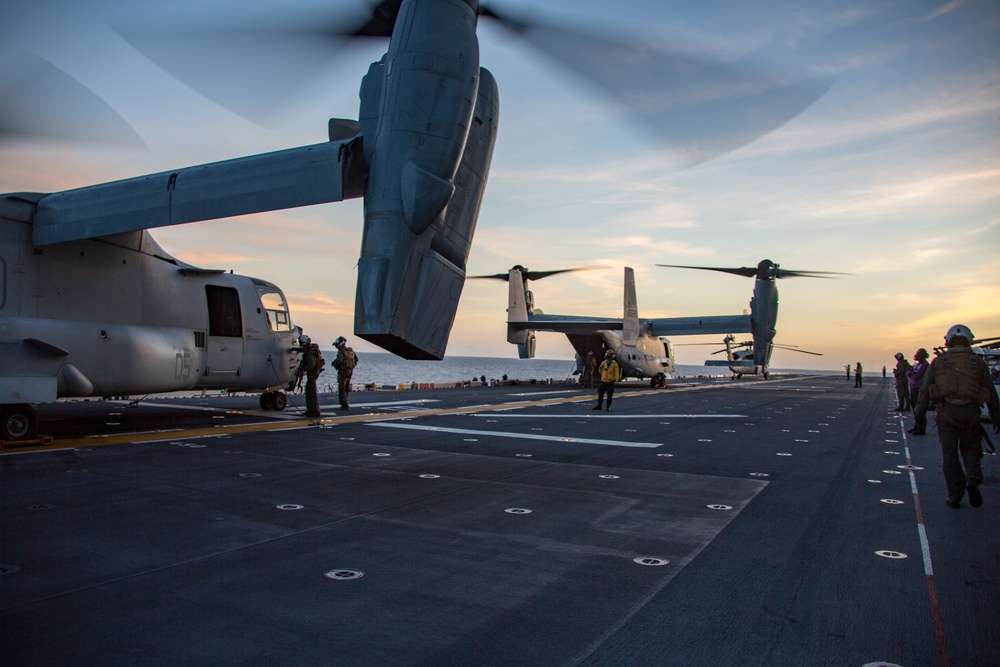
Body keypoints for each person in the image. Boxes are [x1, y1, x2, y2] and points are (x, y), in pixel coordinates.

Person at [915, 324, 1000, 509]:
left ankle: (954, 495)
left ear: (948, 341)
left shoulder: (939, 362)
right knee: (971, 449)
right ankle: (973, 478)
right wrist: (997, 418)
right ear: (968, 340)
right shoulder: (977, 363)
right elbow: (991, 394)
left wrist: (919, 416)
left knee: (949, 454)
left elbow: (924, 392)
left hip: (946, 413)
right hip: (971, 412)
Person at [297, 335, 323, 418]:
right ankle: (313, 410)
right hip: (314, 374)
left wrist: (301, 368)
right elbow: (304, 349)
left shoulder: (311, 352)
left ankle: (313, 411)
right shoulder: (312, 349)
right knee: (311, 392)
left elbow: (311, 365)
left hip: (312, 374)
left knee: (310, 393)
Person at [906, 348, 930, 432]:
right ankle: (916, 426)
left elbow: (917, 376)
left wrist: (912, 374)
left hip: (920, 389)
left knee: (919, 409)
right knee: (914, 407)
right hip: (913, 388)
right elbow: (908, 373)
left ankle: (921, 428)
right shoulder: (917, 364)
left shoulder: (925, 365)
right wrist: (912, 373)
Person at [332, 336, 358, 411]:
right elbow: (356, 359)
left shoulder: (341, 351)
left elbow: (339, 361)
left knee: (342, 387)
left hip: (343, 371)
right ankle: (345, 401)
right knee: (346, 387)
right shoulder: (350, 350)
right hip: (350, 371)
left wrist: (335, 365)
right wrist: (351, 366)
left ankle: (344, 405)